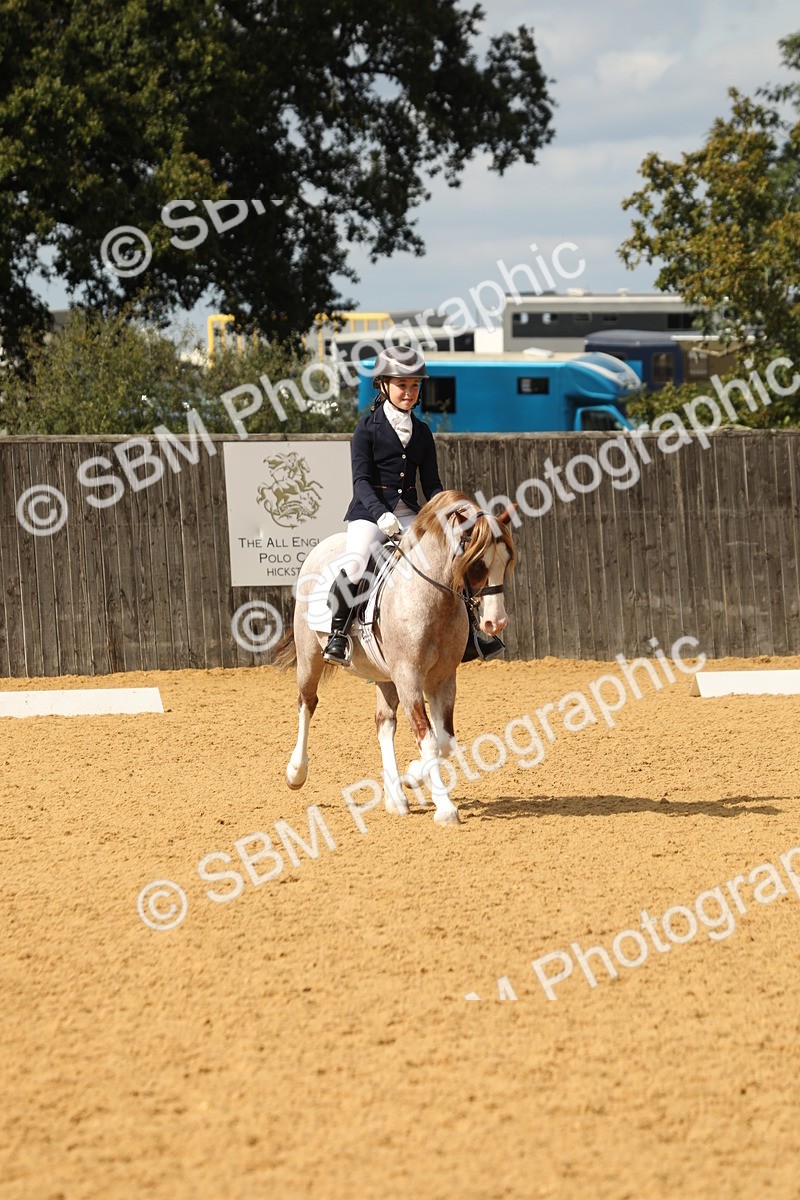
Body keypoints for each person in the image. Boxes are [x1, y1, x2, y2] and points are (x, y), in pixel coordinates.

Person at [322, 345, 444, 665]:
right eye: (402, 385)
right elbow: (361, 482)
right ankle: (338, 634)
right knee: (357, 562)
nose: (409, 391)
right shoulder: (367, 428)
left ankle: (469, 631)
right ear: (384, 385)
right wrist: (381, 515)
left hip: (409, 512)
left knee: (444, 558)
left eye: (415, 385)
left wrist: (443, 511)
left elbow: (431, 484)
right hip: (369, 512)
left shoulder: (422, 432)